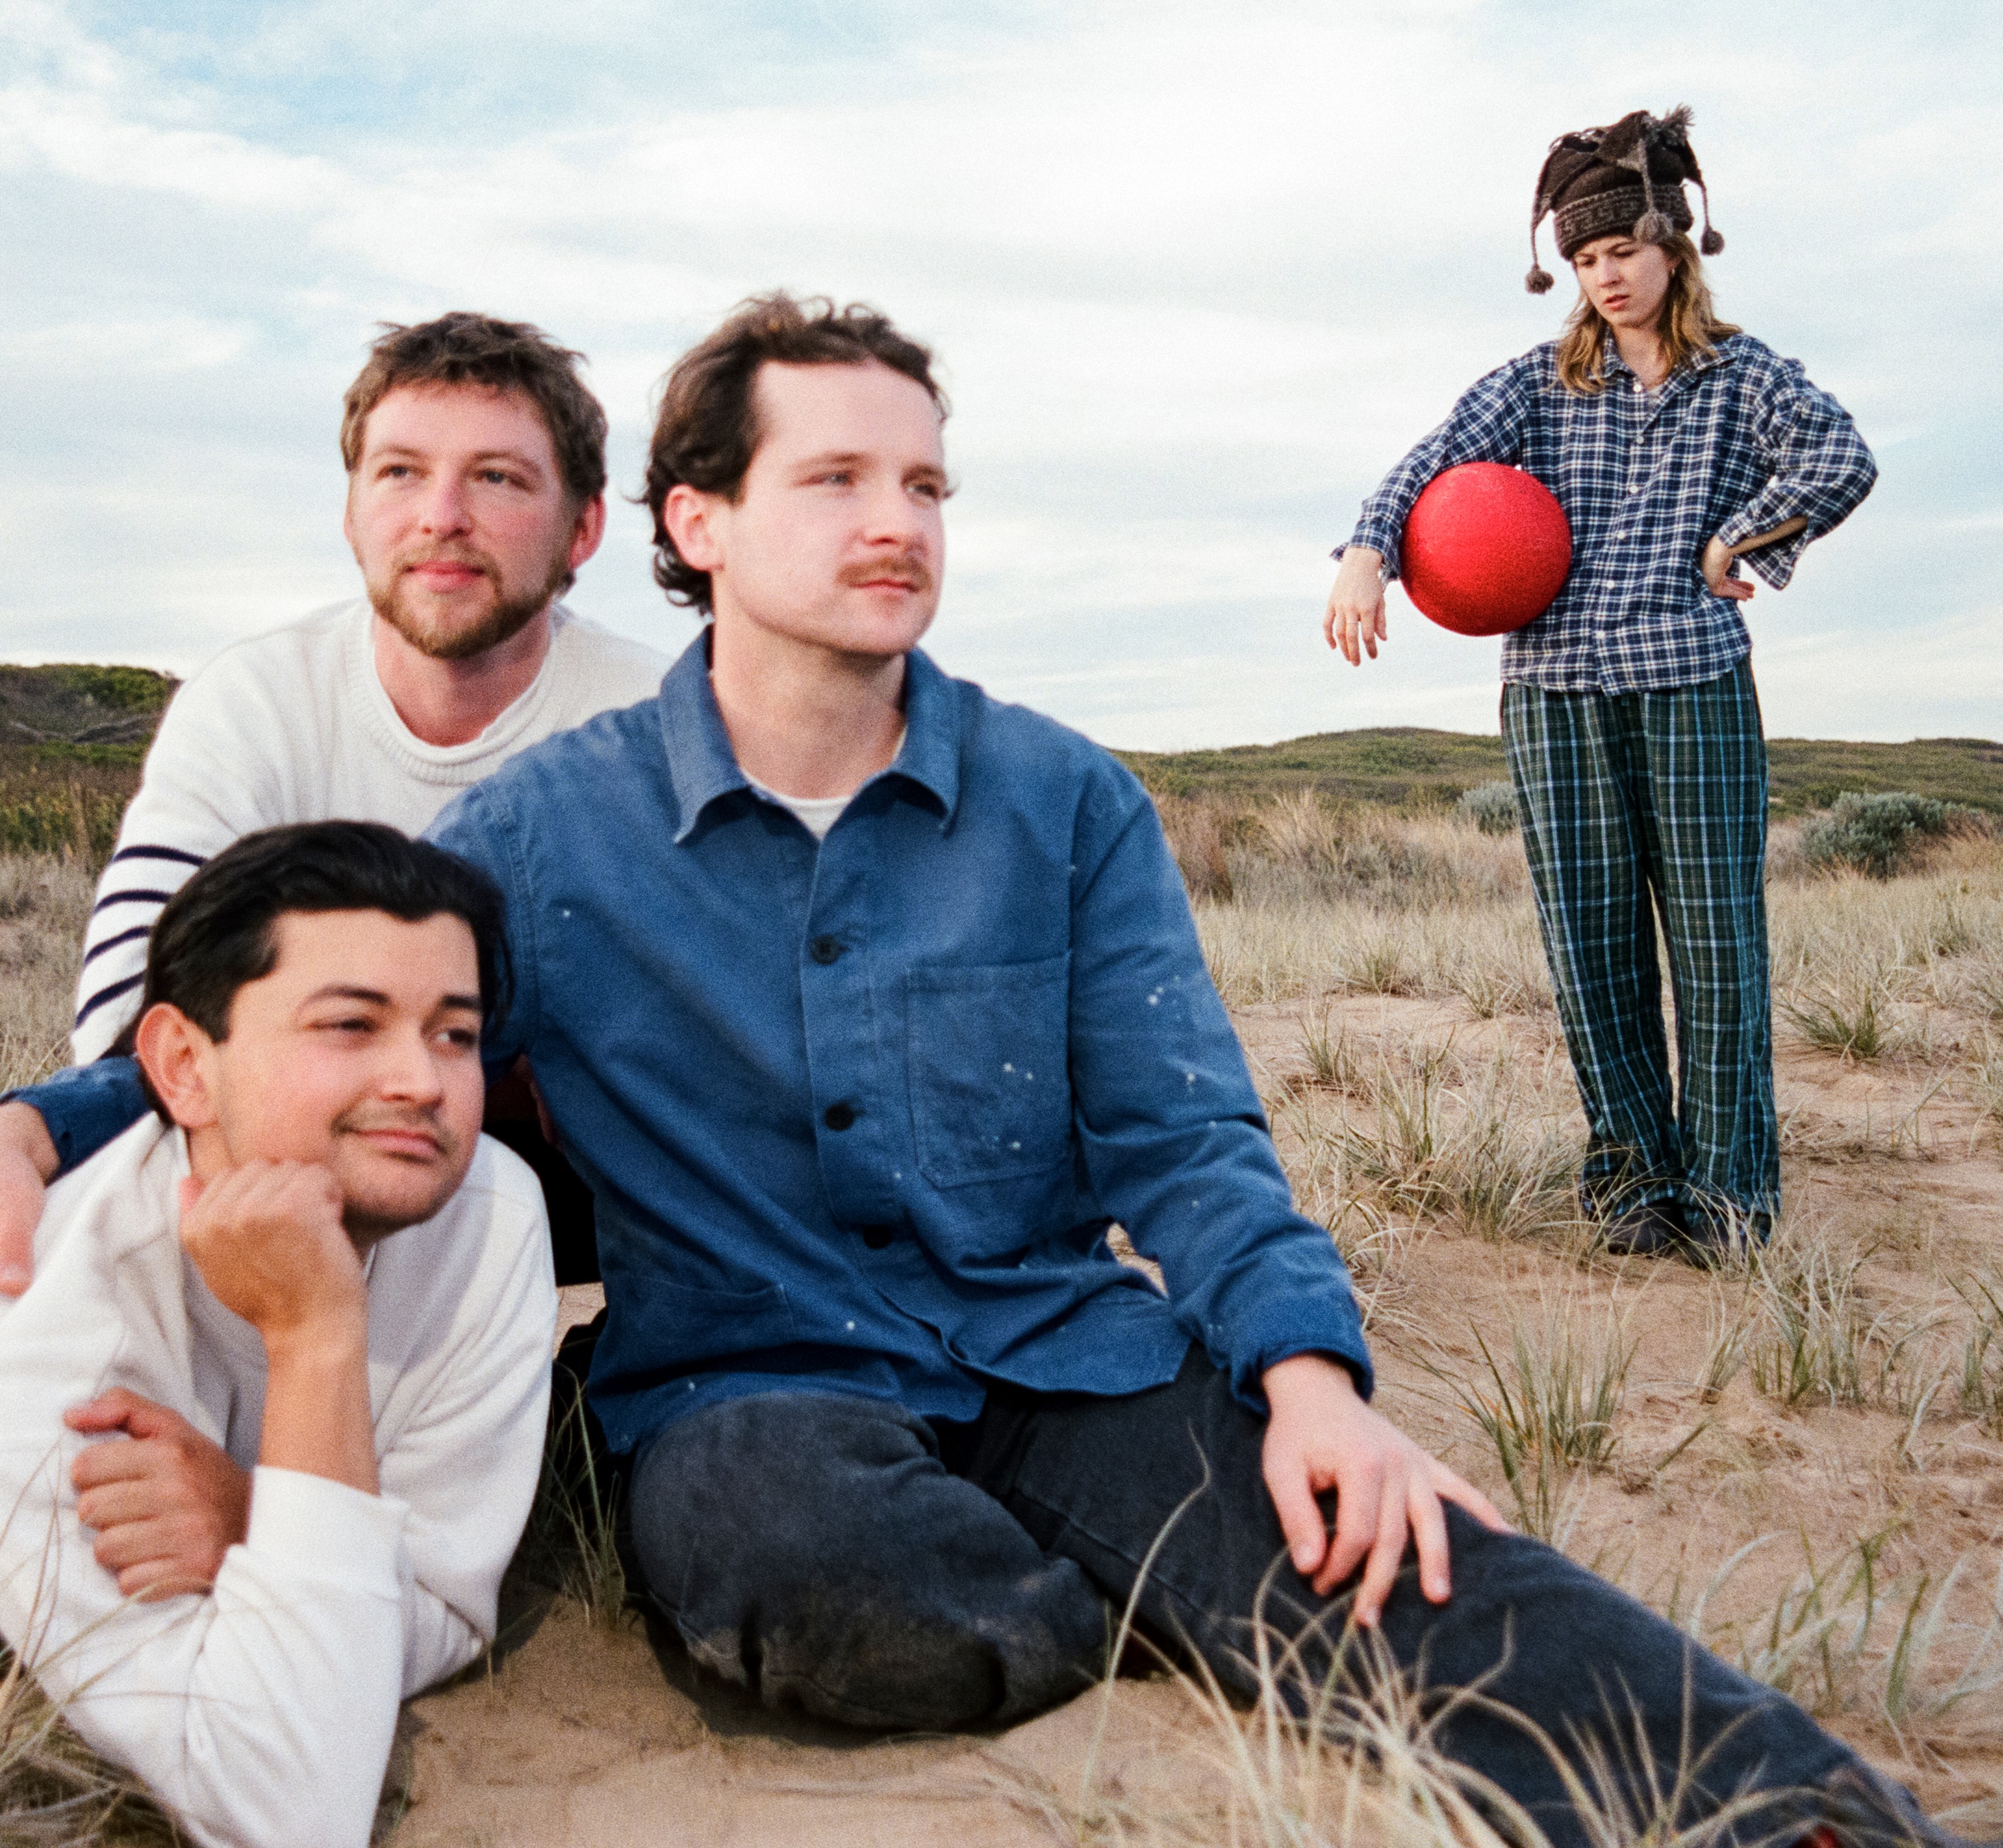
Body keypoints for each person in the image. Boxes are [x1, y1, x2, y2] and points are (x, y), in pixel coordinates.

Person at [420, 293, 1942, 1848]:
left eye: (928, 487)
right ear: (701, 520)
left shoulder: (1062, 801)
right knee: (811, 1571)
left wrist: (1308, 1384)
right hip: (751, 1385)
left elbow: (1187, 1136)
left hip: (1055, 1348)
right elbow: (300, 1046)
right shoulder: (544, 836)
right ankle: (1098, 1589)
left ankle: (1808, 1817)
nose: (900, 522)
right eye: (837, 480)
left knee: (1374, 1540)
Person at [0, 311, 668, 1294]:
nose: (442, 514)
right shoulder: (256, 699)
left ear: (584, 528)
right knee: (95, 1163)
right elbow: (131, 1013)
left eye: (498, 477)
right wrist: (38, 1121)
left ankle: (614, 1407)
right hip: (307, 1143)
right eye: (399, 472)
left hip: (608, 1185)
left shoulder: (661, 718)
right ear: (351, 511)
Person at [1323, 105, 1876, 1260]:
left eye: (1622, 250)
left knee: (1719, 946)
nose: (1605, 276)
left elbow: (1841, 456)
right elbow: (1428, 464)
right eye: (1583, 259)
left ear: (1672, 245)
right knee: (1592, 946)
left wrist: (1746, 542)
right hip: (1556, 696)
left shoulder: (1742, 377)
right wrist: (1371, 553)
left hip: (1691, 685)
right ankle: (1636, 1190)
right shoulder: (1537, 383)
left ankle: (1729, 1202)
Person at [0, 822, 556, 1848]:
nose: (423, 1083)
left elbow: (449, 1608)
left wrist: (253, 1517)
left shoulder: (490, 1214)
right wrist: (314, 1339)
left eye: (456, 1034)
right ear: (181, 1064)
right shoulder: (54, 1341)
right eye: (350, 1025)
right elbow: (289, 1803)